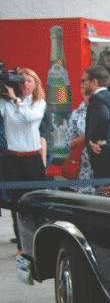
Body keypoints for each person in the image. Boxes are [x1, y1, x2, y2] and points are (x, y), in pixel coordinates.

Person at [0, 67, 47, 248]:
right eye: (21, 81)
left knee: (37, 200)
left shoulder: (38, 102)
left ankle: (40, 241)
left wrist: (16, 100)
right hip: (12, 159)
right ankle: (21, 244)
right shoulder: (6, 102)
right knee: (16, 202)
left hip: (32, 158)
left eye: (29, 81)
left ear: (35, 84)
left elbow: (30, 117)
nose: (25, 84)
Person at [66, 73, 96, 188]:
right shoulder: (76, 114)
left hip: (102, 169)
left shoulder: (106, 111)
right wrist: (84, 138)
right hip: (83, 170)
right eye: (87, 93)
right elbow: (68, 144)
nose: (90, 97)